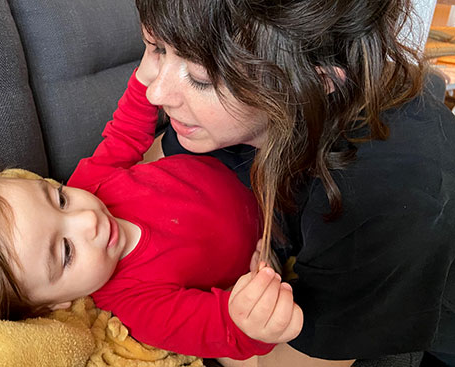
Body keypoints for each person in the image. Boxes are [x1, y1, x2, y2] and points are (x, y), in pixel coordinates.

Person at [0, 69, 303, 361]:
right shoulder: (137, 305)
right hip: (278, 232)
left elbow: (127, 127)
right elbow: (223, 330)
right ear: (55, 303)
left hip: (235, 162)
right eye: (65, 252)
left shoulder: (90, 181)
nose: (88, 219)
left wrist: (150, 75)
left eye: (58, 199)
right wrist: (251, 318)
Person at [133, 0, 455, 366]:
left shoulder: (383, 195)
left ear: (315, 82)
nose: (154, 93)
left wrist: (188, 322)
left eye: (201, 79)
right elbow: (144, 171)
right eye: (158, 48)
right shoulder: (224, 118)